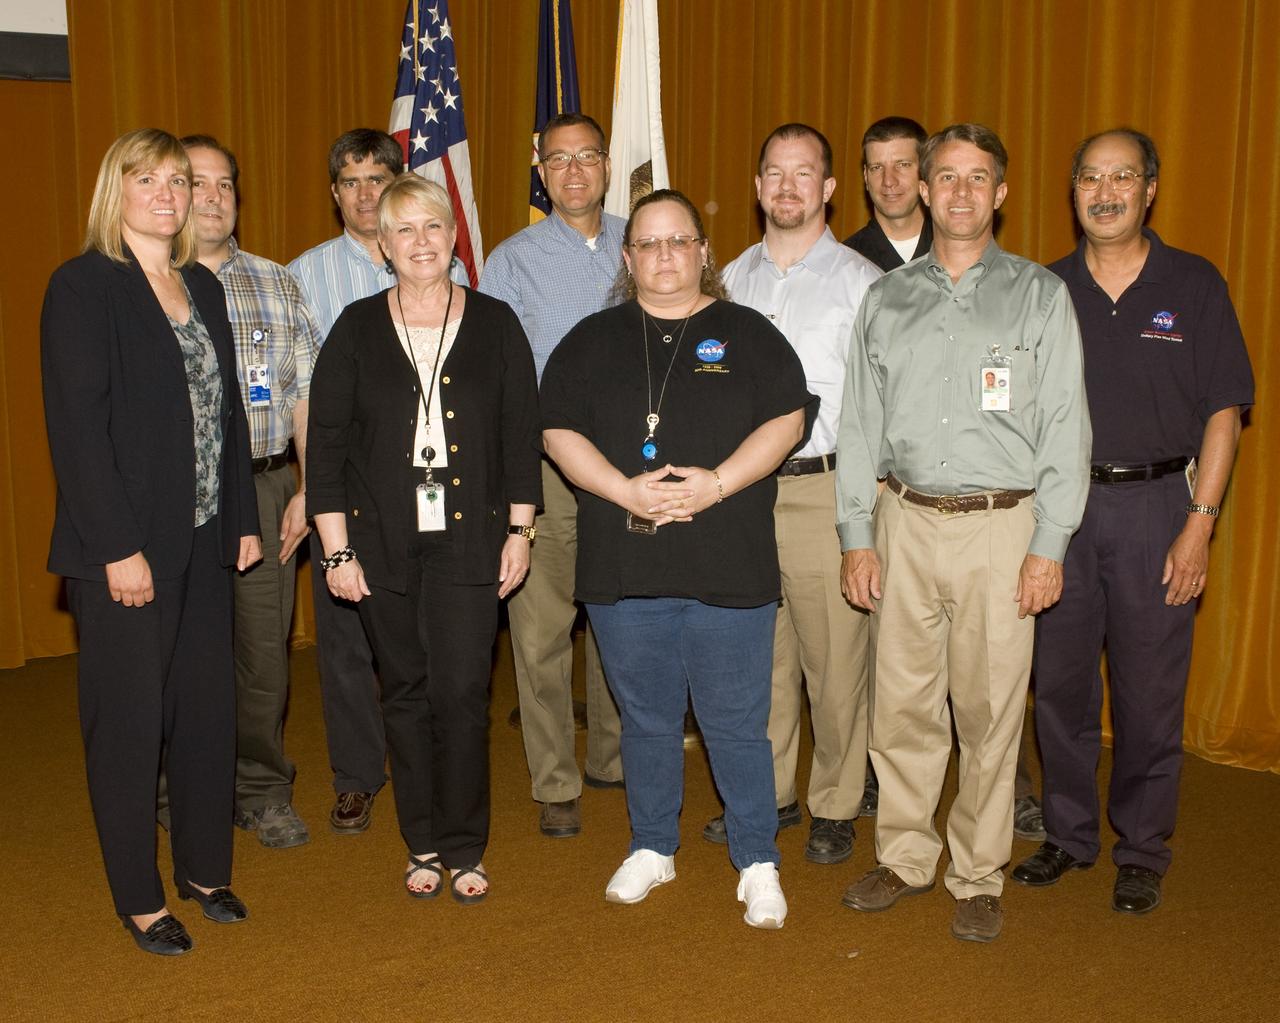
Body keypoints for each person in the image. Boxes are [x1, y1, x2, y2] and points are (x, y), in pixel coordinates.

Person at [835, 124, 1091, 943]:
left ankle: (978, 873)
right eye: (945, 176)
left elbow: (1065, 428)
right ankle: (905, 856)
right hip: (904, 521)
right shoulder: (886, 298)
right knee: (903, 705)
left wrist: (1049, 545)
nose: (959, 192)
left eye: (977, 178)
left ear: (1001, 193)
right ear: (923, 188)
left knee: (989, 711)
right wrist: (856, 534)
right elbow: (858, 422)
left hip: (1001, 529)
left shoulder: (1039, 296)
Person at [540, 189, 817, 929]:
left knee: (736, 721)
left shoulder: (747, 332)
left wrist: (717, 483)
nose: (664, 255)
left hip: (728, 563)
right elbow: (557, 429)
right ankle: (652, 845)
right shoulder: (591, 339)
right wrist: (622, 490)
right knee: (645, 717)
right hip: (626, 565)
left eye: (678, 241)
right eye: (649, 243)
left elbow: (788, 419)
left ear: (703, 252)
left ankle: (757, 860)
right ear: (628, 259)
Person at [1012, 129, 1254, 914]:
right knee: (1060, 687)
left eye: (1123, 177)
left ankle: (1143, 847)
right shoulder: (1044, 288)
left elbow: (1224, 411)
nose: (1105, 191)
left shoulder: (1194, 283)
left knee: (1149, 693)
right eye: (1090, 177)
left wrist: (1200, 524)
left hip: (1158, 509)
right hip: (1062, 511)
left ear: (1150, 189)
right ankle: (1068, 834)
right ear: (1072, 190)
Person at [41, 128, 261, 955]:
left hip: (203, 536)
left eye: (179, 181)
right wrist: (115, 546)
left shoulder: (200, 285)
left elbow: (226, 414)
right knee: (129, 725)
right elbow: (77, 430)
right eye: (148, 180)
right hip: (126, 547)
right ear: (117, 190)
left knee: (205, 712)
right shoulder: (83, 286)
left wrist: (241, 516)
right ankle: (138, 895)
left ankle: (204, 868)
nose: (169, 195)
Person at [307, 175, 541, 903]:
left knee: (463, 691)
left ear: (453, 236)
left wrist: (521, 530)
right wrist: (337, 551)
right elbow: (326, 449)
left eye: (433, 226)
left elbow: (520, 436)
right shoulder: (354, 328)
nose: (420, 242)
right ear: (383, 244)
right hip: (380, 539)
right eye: (403, 229)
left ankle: (466, 844)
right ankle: (423, 839)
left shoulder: (496, 323)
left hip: (472, 537)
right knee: (405, 690)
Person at [716, 123, 880, 865]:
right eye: (775, 173)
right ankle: (771, 793)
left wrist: (864, 511)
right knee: (758, 660)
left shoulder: (861, 283)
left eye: (803, 172)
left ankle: (837, 802)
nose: (788, 187)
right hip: (743, 496)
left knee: (836, 662)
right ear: (757, 187)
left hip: (825, 491)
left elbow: (880, 404)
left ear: (830, 187)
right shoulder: (728, 280)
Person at [479, 112, 625, 839]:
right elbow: (496, 379)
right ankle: (554, 780)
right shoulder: (511, 261)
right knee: (540, 631)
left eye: (587, 156)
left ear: (607, 164)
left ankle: (612, 757)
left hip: (632, 472)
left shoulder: (643, 242)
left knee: (619, 619)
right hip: (547, 471)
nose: (574, 171)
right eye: (559, 160)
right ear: (541, 171)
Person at [183, 134, 324, 848]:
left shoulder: (276, 281)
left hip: (268, 486)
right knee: (179, 650)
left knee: (264, 652)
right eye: (196, 182)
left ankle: (262, 788)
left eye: (224, 184)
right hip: (182, 497)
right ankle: (179, 788)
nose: (213, 198)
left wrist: (308, 486)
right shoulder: (144, 280)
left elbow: (304, 393)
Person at [287, 128, 406, 836]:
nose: (366, 194)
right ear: (335, 194)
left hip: (423, 480)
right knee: (345, 638)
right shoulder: (303, 276)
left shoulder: (436, 260)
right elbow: (300, 393)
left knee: (420, 633)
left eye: (378, 178)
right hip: (343, 480)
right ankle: (357, 776)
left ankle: (426, 763)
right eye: (352, 181)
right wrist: (311, 485)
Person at [844, 116, 932, 272]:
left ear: (925, 171)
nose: (888, 181)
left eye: (902, 165)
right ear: (866, 177)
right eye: (877, 168)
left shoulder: (956, 250)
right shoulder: (845, 263)